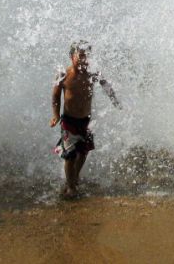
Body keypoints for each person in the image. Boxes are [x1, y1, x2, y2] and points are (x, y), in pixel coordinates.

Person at [50, 41, 121, 198]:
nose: (84, 59)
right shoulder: (63, 74)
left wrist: (114, 99)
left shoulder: (91, 72)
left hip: (86, 121)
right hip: (69, 121)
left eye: (87, 56)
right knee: (70, 155)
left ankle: (74, 177)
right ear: (72, 56)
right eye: (81, 55)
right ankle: (70, 187)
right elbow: (55, 96)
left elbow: (105, 84)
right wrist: (55, 115)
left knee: (83, 151)